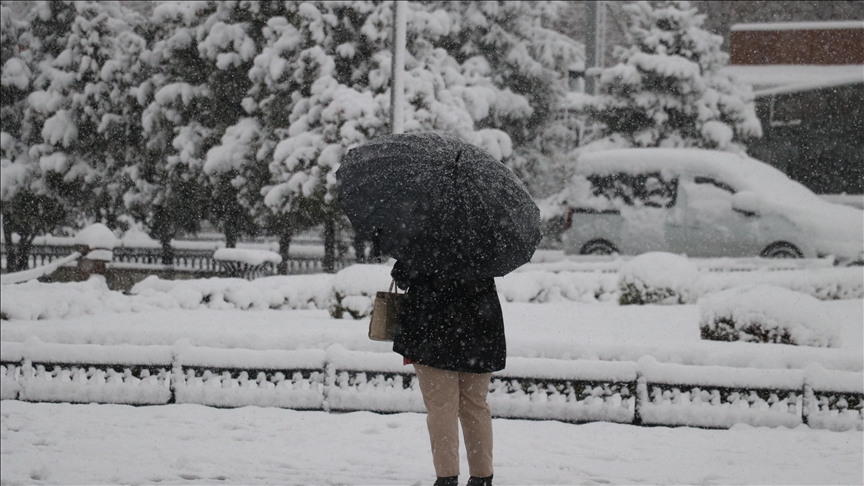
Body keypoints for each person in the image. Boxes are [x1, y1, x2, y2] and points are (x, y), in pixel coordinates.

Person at [391, 259, 505, 486]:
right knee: (476, 405)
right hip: (479, 330)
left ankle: (447, 477)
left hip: (432, 330)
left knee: (442, 407)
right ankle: (482, 476)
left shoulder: (423, 233)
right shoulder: (485, 234)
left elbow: (402, 278)